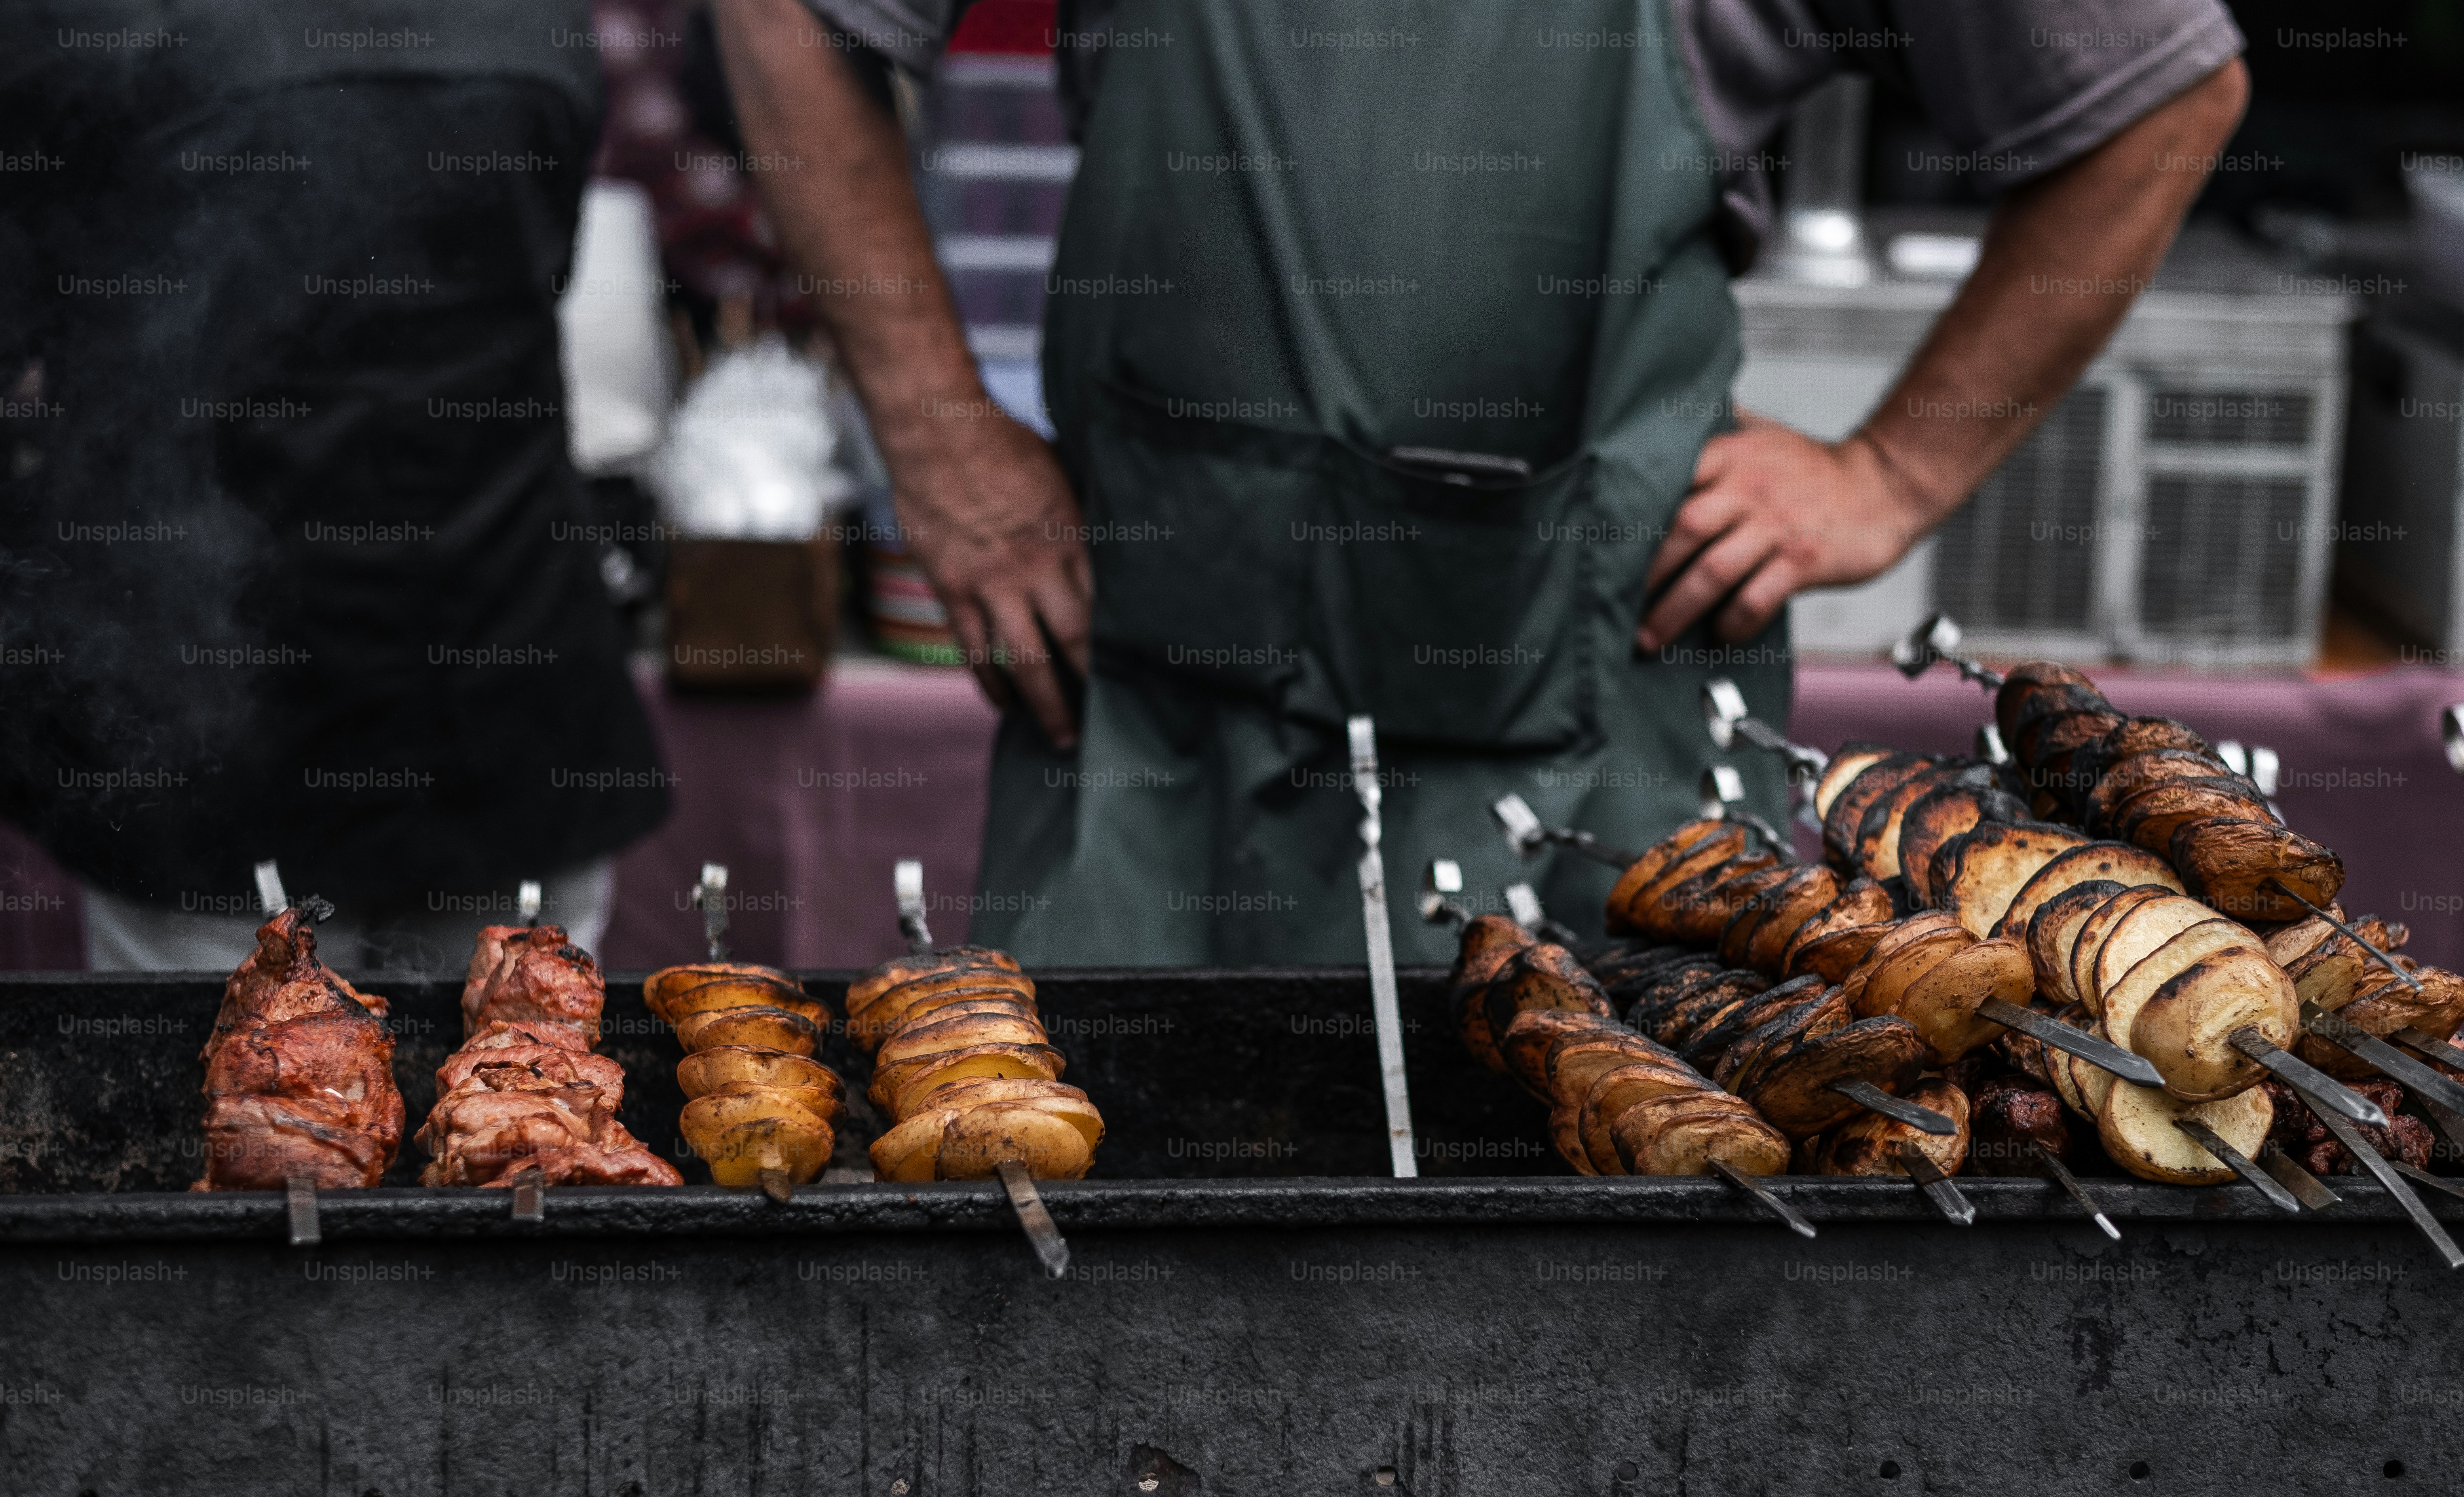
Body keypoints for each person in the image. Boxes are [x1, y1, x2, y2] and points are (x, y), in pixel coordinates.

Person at [714, 0, 2249, 963]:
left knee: (1584, 1355)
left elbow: (2159, 93)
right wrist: (936, 440)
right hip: (1148, 731)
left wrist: (1890, 471)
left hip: (1586, 754)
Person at [0, 0, 667, 970]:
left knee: (233, 1101)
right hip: (497, 689)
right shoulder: (538, 25)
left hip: (216, 736)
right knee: (520, 1096)